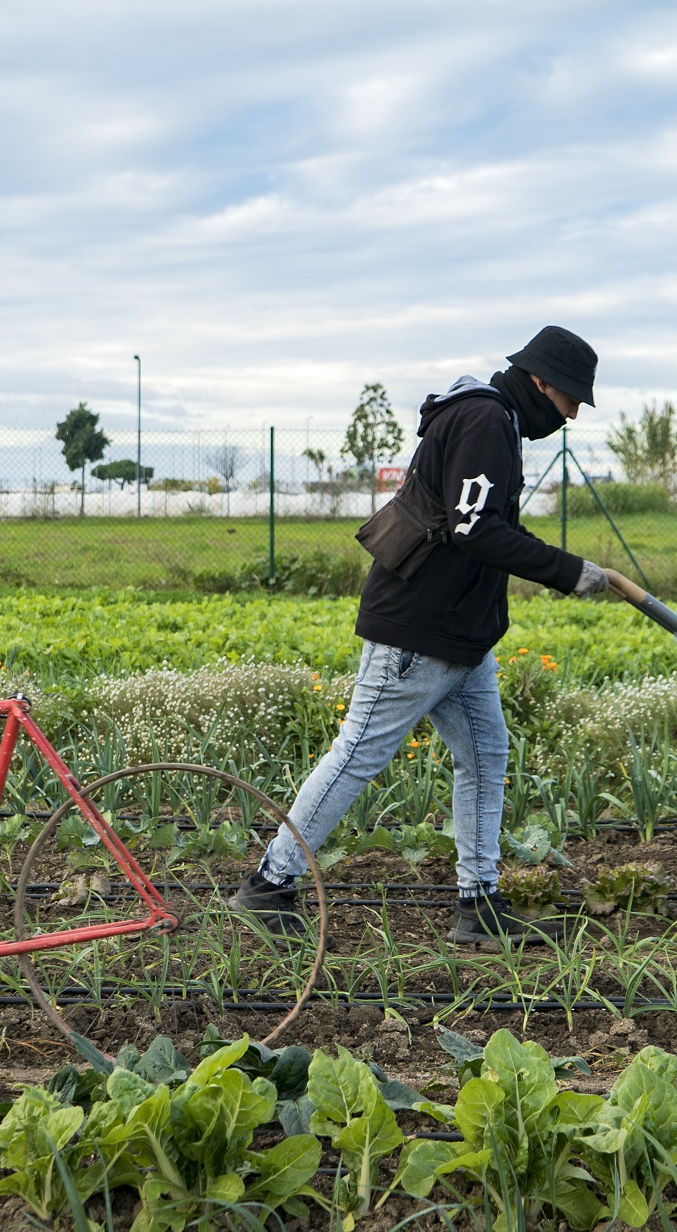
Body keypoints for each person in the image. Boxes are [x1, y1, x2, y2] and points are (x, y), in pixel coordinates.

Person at [228, 326, 609, 947]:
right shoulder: (485, 421)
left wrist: (563, 573)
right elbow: (474, 529)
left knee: (485, 756)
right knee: (358, 754)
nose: (570, 417)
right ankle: (269, 884)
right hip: (419, 631)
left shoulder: (497, 421)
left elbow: (481, 526)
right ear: (543, 383)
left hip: (460, 637)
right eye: (571, 401)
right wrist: (567, 571)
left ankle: (478, 904)